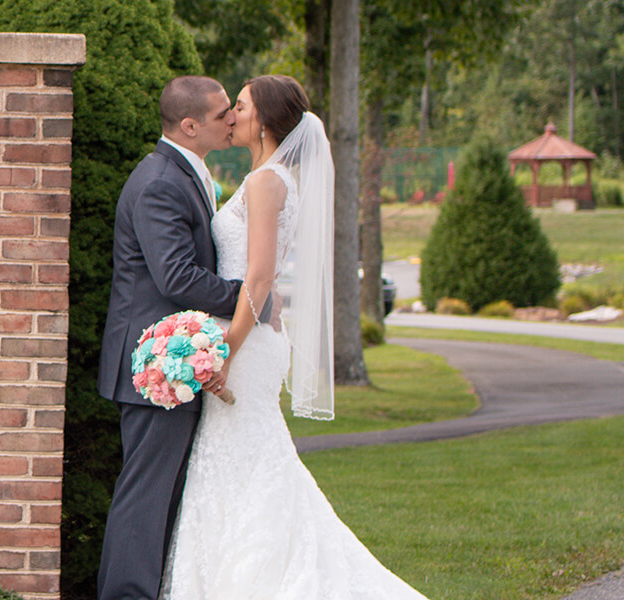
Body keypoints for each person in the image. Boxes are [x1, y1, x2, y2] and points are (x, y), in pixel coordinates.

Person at [162, 74, 428, 599]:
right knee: (243, 464)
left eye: (239, 105)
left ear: (264, 118)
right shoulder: (267, 177)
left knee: (249, 462)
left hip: (246, 343)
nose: (231, 115)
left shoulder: (266, 182)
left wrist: (225, 353)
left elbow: (259, 279)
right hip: (245, 333)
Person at [96, 75, 243, 600]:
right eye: (223, 112)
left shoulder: (184, 172)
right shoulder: (161, 180)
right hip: (156, 365)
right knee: (146, 493)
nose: (232, 118)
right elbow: (176, 278)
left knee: (156, 491)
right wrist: (251, 298)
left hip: (170, 360)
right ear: (190, 125)